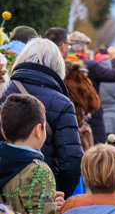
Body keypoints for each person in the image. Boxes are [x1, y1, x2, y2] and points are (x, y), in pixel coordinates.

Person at [0, 38, 83, 196]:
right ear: (58, 65)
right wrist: (57, 193)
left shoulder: (3, 92)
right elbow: (72, 161)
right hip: (41, 194)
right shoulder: (62, 104)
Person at [0, 95, 62, 214]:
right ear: (38, 130)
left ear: (3, 132)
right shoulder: (39, 171)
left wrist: (50, 205)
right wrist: (53, 213)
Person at [46, 28, 100, 151]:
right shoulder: (72, 73)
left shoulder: (35, 69)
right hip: (70, 133)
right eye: (69, 45)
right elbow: (93, 103)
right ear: (62, 47)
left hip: (42, 135)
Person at [69, 32, 115, 140]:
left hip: (69, 115)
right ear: (83, 48)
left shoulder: (61, 65)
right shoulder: (91, 66)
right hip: (92, 117)